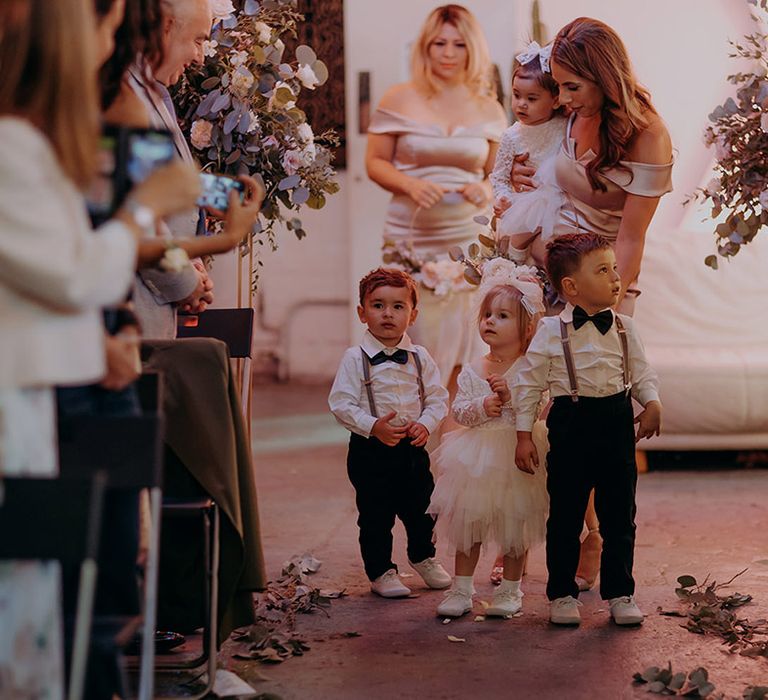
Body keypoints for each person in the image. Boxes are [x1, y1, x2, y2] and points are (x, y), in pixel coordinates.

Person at [506, 18, 674, 590]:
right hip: (541, 263)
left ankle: (597, 535)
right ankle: (547, 540)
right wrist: (518, 175)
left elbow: (630, 238)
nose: (564, 99)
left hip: (601, 280)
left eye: (573, 87)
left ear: (605, 76)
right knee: (544, 412)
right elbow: (534, 165)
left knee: (589, 414)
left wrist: (606, 309)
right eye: (558, 85)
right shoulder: (570, 111)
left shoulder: (648, 135)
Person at [514, 233, 661, 627]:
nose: (616, 277)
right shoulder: (549, 331)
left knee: (620, 514)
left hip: (616, 422)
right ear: (571, 287)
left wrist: (652, 402)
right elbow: (529, 384)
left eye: (614, 268)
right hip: (571, 423)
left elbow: (642, 373)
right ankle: (561, 593)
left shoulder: (626, 327)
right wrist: (523, 433)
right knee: (564, 514)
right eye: (603, 270)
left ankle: (621, 592)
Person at [366, 4, 507, 386]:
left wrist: (483, 188)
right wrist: (410, 184)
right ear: (425, 48)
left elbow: (498, 176)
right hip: (409, 236)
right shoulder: (398, 97)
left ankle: (450, 434)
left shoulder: (489, 107)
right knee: (412, 346)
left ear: (472, 50)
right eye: (439, 43)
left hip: (466, 240)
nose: (448, 53)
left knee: (465, 346)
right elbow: (375, 163)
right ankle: (411, 433)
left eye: (459, 44)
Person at [428, 268, 549, 618]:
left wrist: (512, 398)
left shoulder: (530, 368)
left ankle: (511, 591)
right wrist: (483, 406)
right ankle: (461, 588)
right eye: (487, 315)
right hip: (476, 457)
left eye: (502, 316)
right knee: (470, 525)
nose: (490, 322)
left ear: (527, 327)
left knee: (514, 526)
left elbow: (540, 407)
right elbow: (460, 411)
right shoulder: (473, 367)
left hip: (516, 454)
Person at [328, 268, 452, 598]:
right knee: (375, 514)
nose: (388, 314)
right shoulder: (354, 358)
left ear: (413, 314)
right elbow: (340, 402)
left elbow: (437, 397)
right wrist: (373, 427)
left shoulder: (420, 357)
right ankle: (381, 570)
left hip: (411, 449)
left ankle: (423, 556)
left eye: (398, 306)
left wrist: (425, 424)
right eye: (378, 305)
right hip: (371, 451)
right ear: (362, 312)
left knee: (423, 509)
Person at [489, 41, 566, 267]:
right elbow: (499, 177)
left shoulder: (566, 126)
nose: (521, 105)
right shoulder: (511, 137)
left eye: (531, 99)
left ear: (555, 100)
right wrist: (504, 198)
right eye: (516, 95)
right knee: (519, 240)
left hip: (564, 202)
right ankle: (515, 269)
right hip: (529, 201)